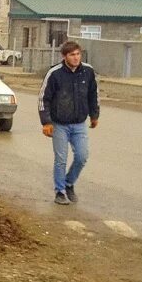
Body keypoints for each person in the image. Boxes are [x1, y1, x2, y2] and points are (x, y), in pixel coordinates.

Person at [39, 41, 99, 205]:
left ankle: (69, 183)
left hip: (79, 123)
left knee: (82, 156)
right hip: (59, 124)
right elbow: (44, 99)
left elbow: (93, 95)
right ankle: (60, 192)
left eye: (78, 54)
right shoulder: (55, 73)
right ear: (64, 56)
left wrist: (94, 115)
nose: (76, 58)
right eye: (72, 55)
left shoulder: (88, 71)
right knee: (61, 160)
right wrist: (46, 122)